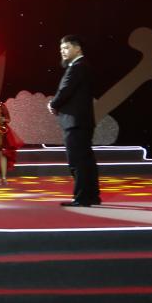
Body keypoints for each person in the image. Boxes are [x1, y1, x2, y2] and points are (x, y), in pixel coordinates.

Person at [49, 36, 102, 207]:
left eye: (66, 47)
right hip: (82, 121)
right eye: (61, 49)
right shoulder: (84, 66)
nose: (62, 51)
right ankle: (92, 196)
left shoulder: (77, 67)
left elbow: (65, 90)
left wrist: (53, 104)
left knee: (77, 161)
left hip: (75, 122)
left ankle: (82, 197)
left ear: (77, 48)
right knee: (86, 160)